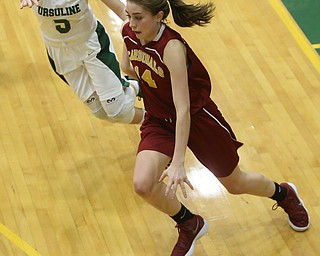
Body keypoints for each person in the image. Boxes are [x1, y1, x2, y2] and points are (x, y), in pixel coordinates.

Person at [120, 0, 310, 255]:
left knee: (235, 183)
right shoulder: (129, 32)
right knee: (143, 184)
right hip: (160, 120)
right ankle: (189, 223)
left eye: (138, 17)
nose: (131, 23)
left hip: (198, 119)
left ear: (160, 16)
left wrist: (177, 162)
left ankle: (283, 193)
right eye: (128, 16)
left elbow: (183, 108)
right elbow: (126, 67)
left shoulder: (172, 48)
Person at [20, 0, 145, 124]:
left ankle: (159, 117)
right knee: (100, 111)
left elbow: (120, 8)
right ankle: (145, 100)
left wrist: (143, 35)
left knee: (118, 111)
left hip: (92, 46)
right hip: (59, 53)